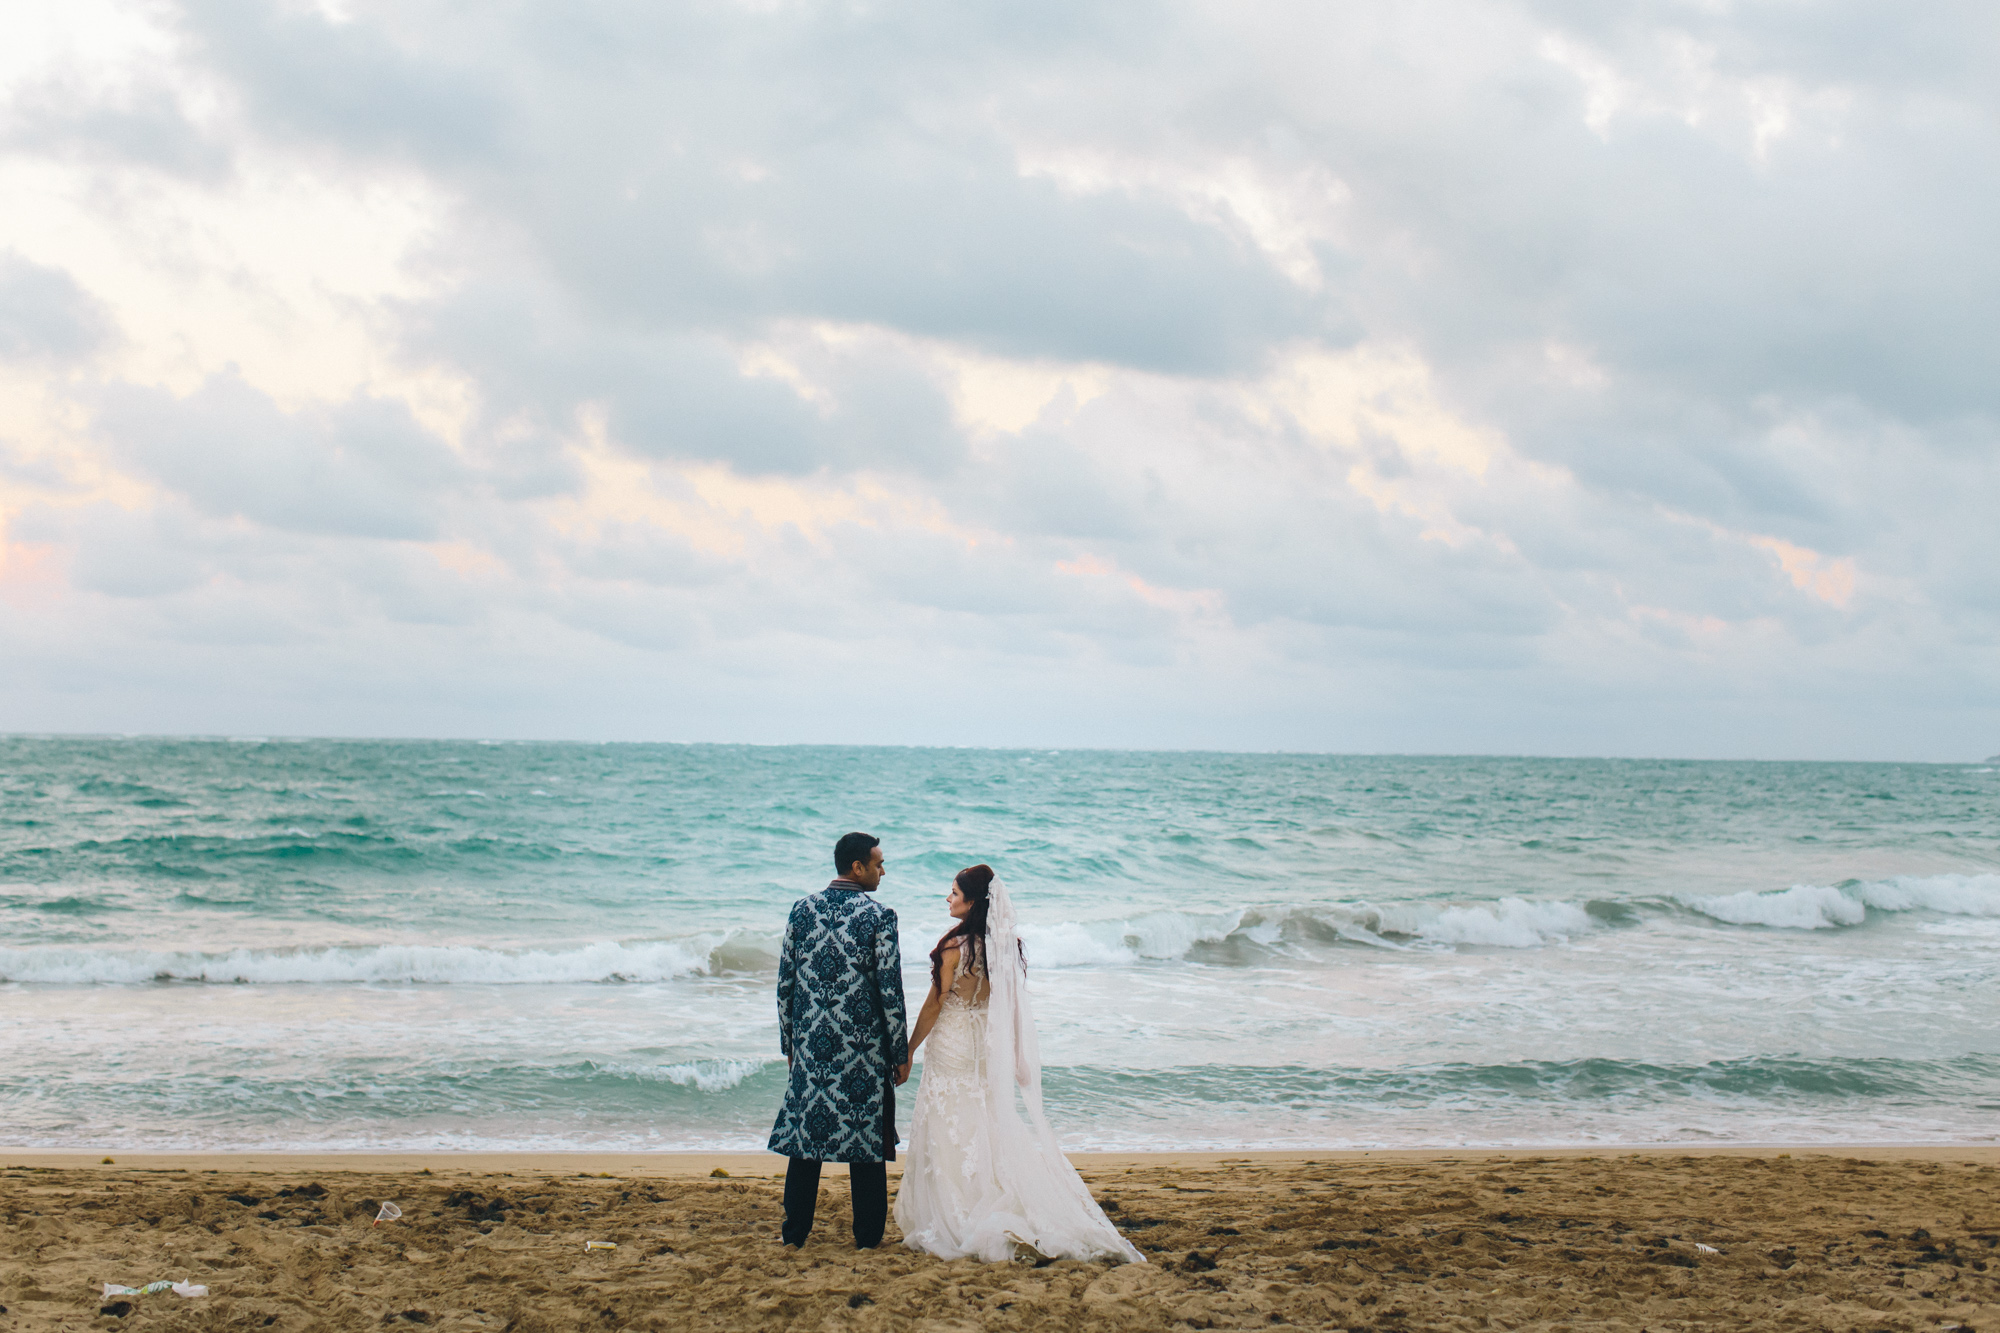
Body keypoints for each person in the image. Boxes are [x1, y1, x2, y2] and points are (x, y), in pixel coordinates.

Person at [893, 864, 1141, 1263]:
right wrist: (1014, 1054)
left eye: (953, 893)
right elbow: (1007, 1006)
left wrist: (906, 1049)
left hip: (953, 1042)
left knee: (948, 1121)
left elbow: (935, 1003)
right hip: (982, 1045)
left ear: (972, 902)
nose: (947, 898)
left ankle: (956, 1212)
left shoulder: (954, 949)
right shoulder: (1004, 946)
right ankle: (989, 1196)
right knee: (982, 1119)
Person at [768, 831, 910, 1249]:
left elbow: (784, 984)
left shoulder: (801, 909)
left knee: (805, 1144)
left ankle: (794, 1235)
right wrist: (899, 1051)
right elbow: (890, 990)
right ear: (857, 867)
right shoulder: (880, 916)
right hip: (861, 1053)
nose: (883, 871)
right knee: (865, 1145)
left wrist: (789, 1045)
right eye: (879, 863)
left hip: (812, 1048)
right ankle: (867, 1239)